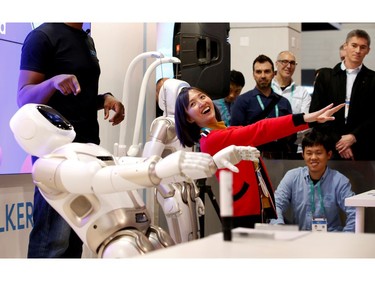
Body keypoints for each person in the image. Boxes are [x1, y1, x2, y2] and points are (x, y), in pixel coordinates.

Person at [17, 23, 125, 258]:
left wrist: (104, 99)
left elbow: (78, 96)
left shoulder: (86, 39)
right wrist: (52, 82)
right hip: (56, 153)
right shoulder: (42, 36)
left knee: (75, 240)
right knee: (52, 240)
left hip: (87, 151)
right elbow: (23, 96)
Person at [174, 85, 344, 228]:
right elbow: (261, 129)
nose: (202, 102)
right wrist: (306, 118)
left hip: (255, 206)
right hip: (244, 211)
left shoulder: (222, 131)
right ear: (188, 118)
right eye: (193, 104)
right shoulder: (211, 139)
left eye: (202, 96)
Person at [270, 129, 356, 232]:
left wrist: (346, 238)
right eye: (309, 153)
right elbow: (276, 205)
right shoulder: (292, 177)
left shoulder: (340, 181)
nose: (313, 158)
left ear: (328, 155)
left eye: (318, 153)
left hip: (331, 240)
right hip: (300, 239)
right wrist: (279, 227)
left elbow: (355, 212)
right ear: (303, 155)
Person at [309, 29, 375, 160]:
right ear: (345, 46)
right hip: (330, 148)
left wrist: (353, 137)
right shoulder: (325, 77)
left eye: (362, 47)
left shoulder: (372, 78)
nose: (357, 51)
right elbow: (316, 113)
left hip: (362, 148)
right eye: (354, 45)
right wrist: (339, 141)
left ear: (368, 50)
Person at [230, 54, 295, 159]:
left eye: (267, 71)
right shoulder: (242, 101)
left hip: (280, 158)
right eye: (258, 72)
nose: (263, 76)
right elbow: (236, 135)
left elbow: (292, 134)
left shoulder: (284, 102)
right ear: (253, 74)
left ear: (274, 74)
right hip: (252, 158)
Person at [271, 51, 312, 154]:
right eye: (284, 62)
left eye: (292, 63)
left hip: (294, 148)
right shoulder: (267, 90)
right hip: (268, 146)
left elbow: (304, 121)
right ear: (276, 64)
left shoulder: (302, 92)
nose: (288, 66)